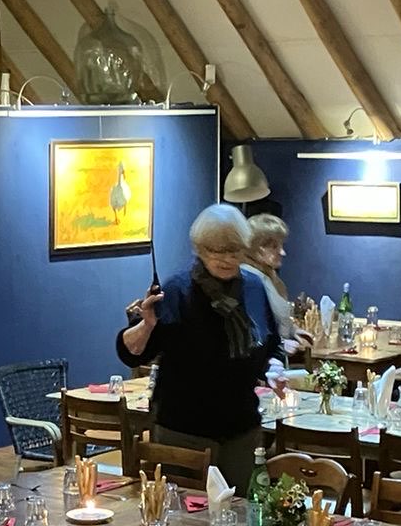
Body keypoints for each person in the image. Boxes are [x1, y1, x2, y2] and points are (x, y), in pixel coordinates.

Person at [117, 204, 283, 491]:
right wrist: (146, 325)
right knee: (183, 513)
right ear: (200, 249)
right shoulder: (178, 290)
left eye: (234, 251)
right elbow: (133, 354)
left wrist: (274, 368)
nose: (227, 259)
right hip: (184, 431)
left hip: (241, 428)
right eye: (217, 251)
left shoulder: (254, 288)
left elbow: (271, 345)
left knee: (242, 510)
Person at [244, 212, 307, 357]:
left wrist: (293, 331)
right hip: (263, 364)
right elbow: (250, 332)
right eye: (274, 246)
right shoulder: (249, 280)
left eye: (281, 245)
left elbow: (275, 320)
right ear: (256, 247)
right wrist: (281, 344)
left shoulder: (269, 276)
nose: (282, 252)